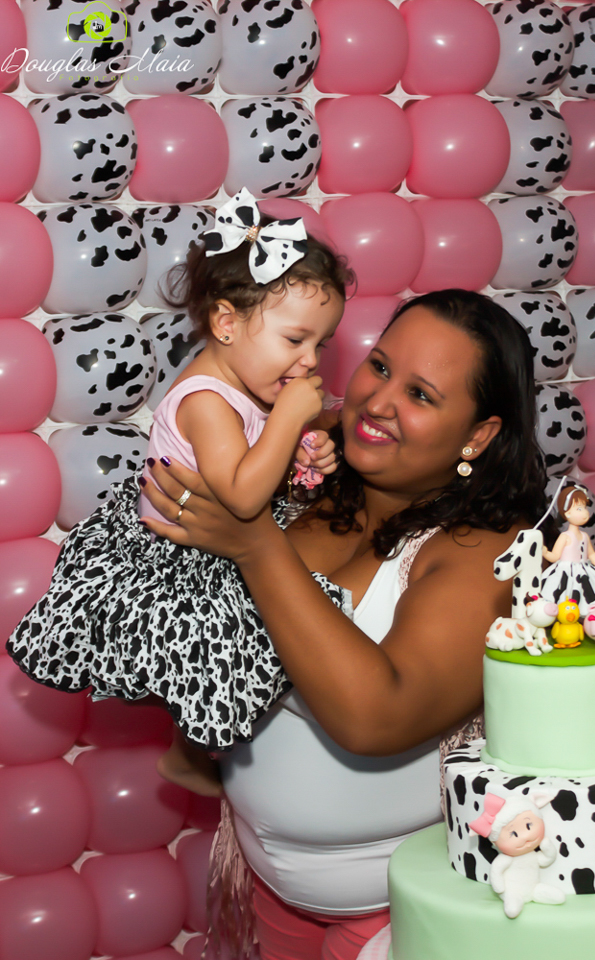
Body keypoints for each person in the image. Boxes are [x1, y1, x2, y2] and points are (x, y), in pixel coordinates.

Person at [139, 289, 557, 960]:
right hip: (267, 889)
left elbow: (375, 718)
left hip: (402, 908)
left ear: (479, 434)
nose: (380, 401)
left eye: (422, 395)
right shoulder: (306, 470)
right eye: (381, 366)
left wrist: (253, 546)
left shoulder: (489, 550)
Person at [6, 188, 350, 796]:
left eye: (320, 345)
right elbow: (244, 498)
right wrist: (292, 421)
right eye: (295, 340)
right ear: (225, 322)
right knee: (226, 651)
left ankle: (204, 751)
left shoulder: (242, 389)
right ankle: (190, 756)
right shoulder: (206, 402)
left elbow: (256, 476)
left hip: (214, 539)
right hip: (182, 560)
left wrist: (304, 456)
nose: (309, 360)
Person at [540, 484, 595, 616]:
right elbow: (554, 557)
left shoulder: (584, 536)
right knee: (566, 597)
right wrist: (544, 552)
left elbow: (591, 553)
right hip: (565, 574)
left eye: (584, 508)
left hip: (585, 571)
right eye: (579, 508)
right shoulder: (564, 536)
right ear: (567, 513)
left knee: (589, 596)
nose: (585, 512)